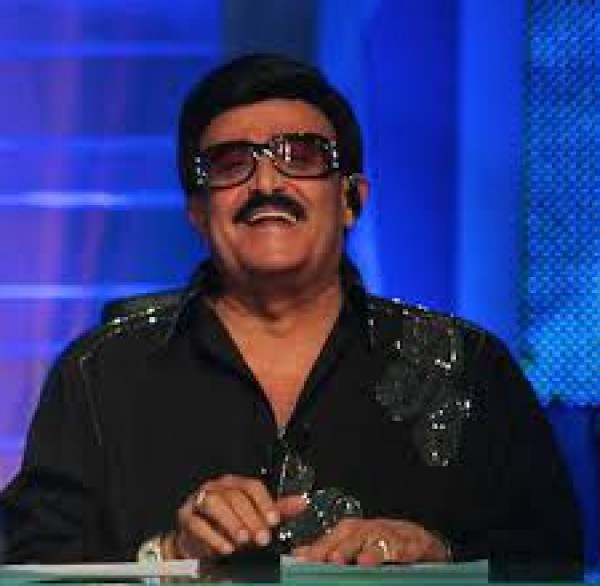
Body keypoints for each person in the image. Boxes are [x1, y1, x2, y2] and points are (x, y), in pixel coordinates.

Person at [0, 54, 582, 578]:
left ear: (352, 199)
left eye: (301, 157)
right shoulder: (99, 375)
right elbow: (29, 569)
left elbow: (556, 563)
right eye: (230, 164)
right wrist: (169, 556)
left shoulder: (473, 369)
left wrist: (440, 557)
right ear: (198, 213)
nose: (266, 182)